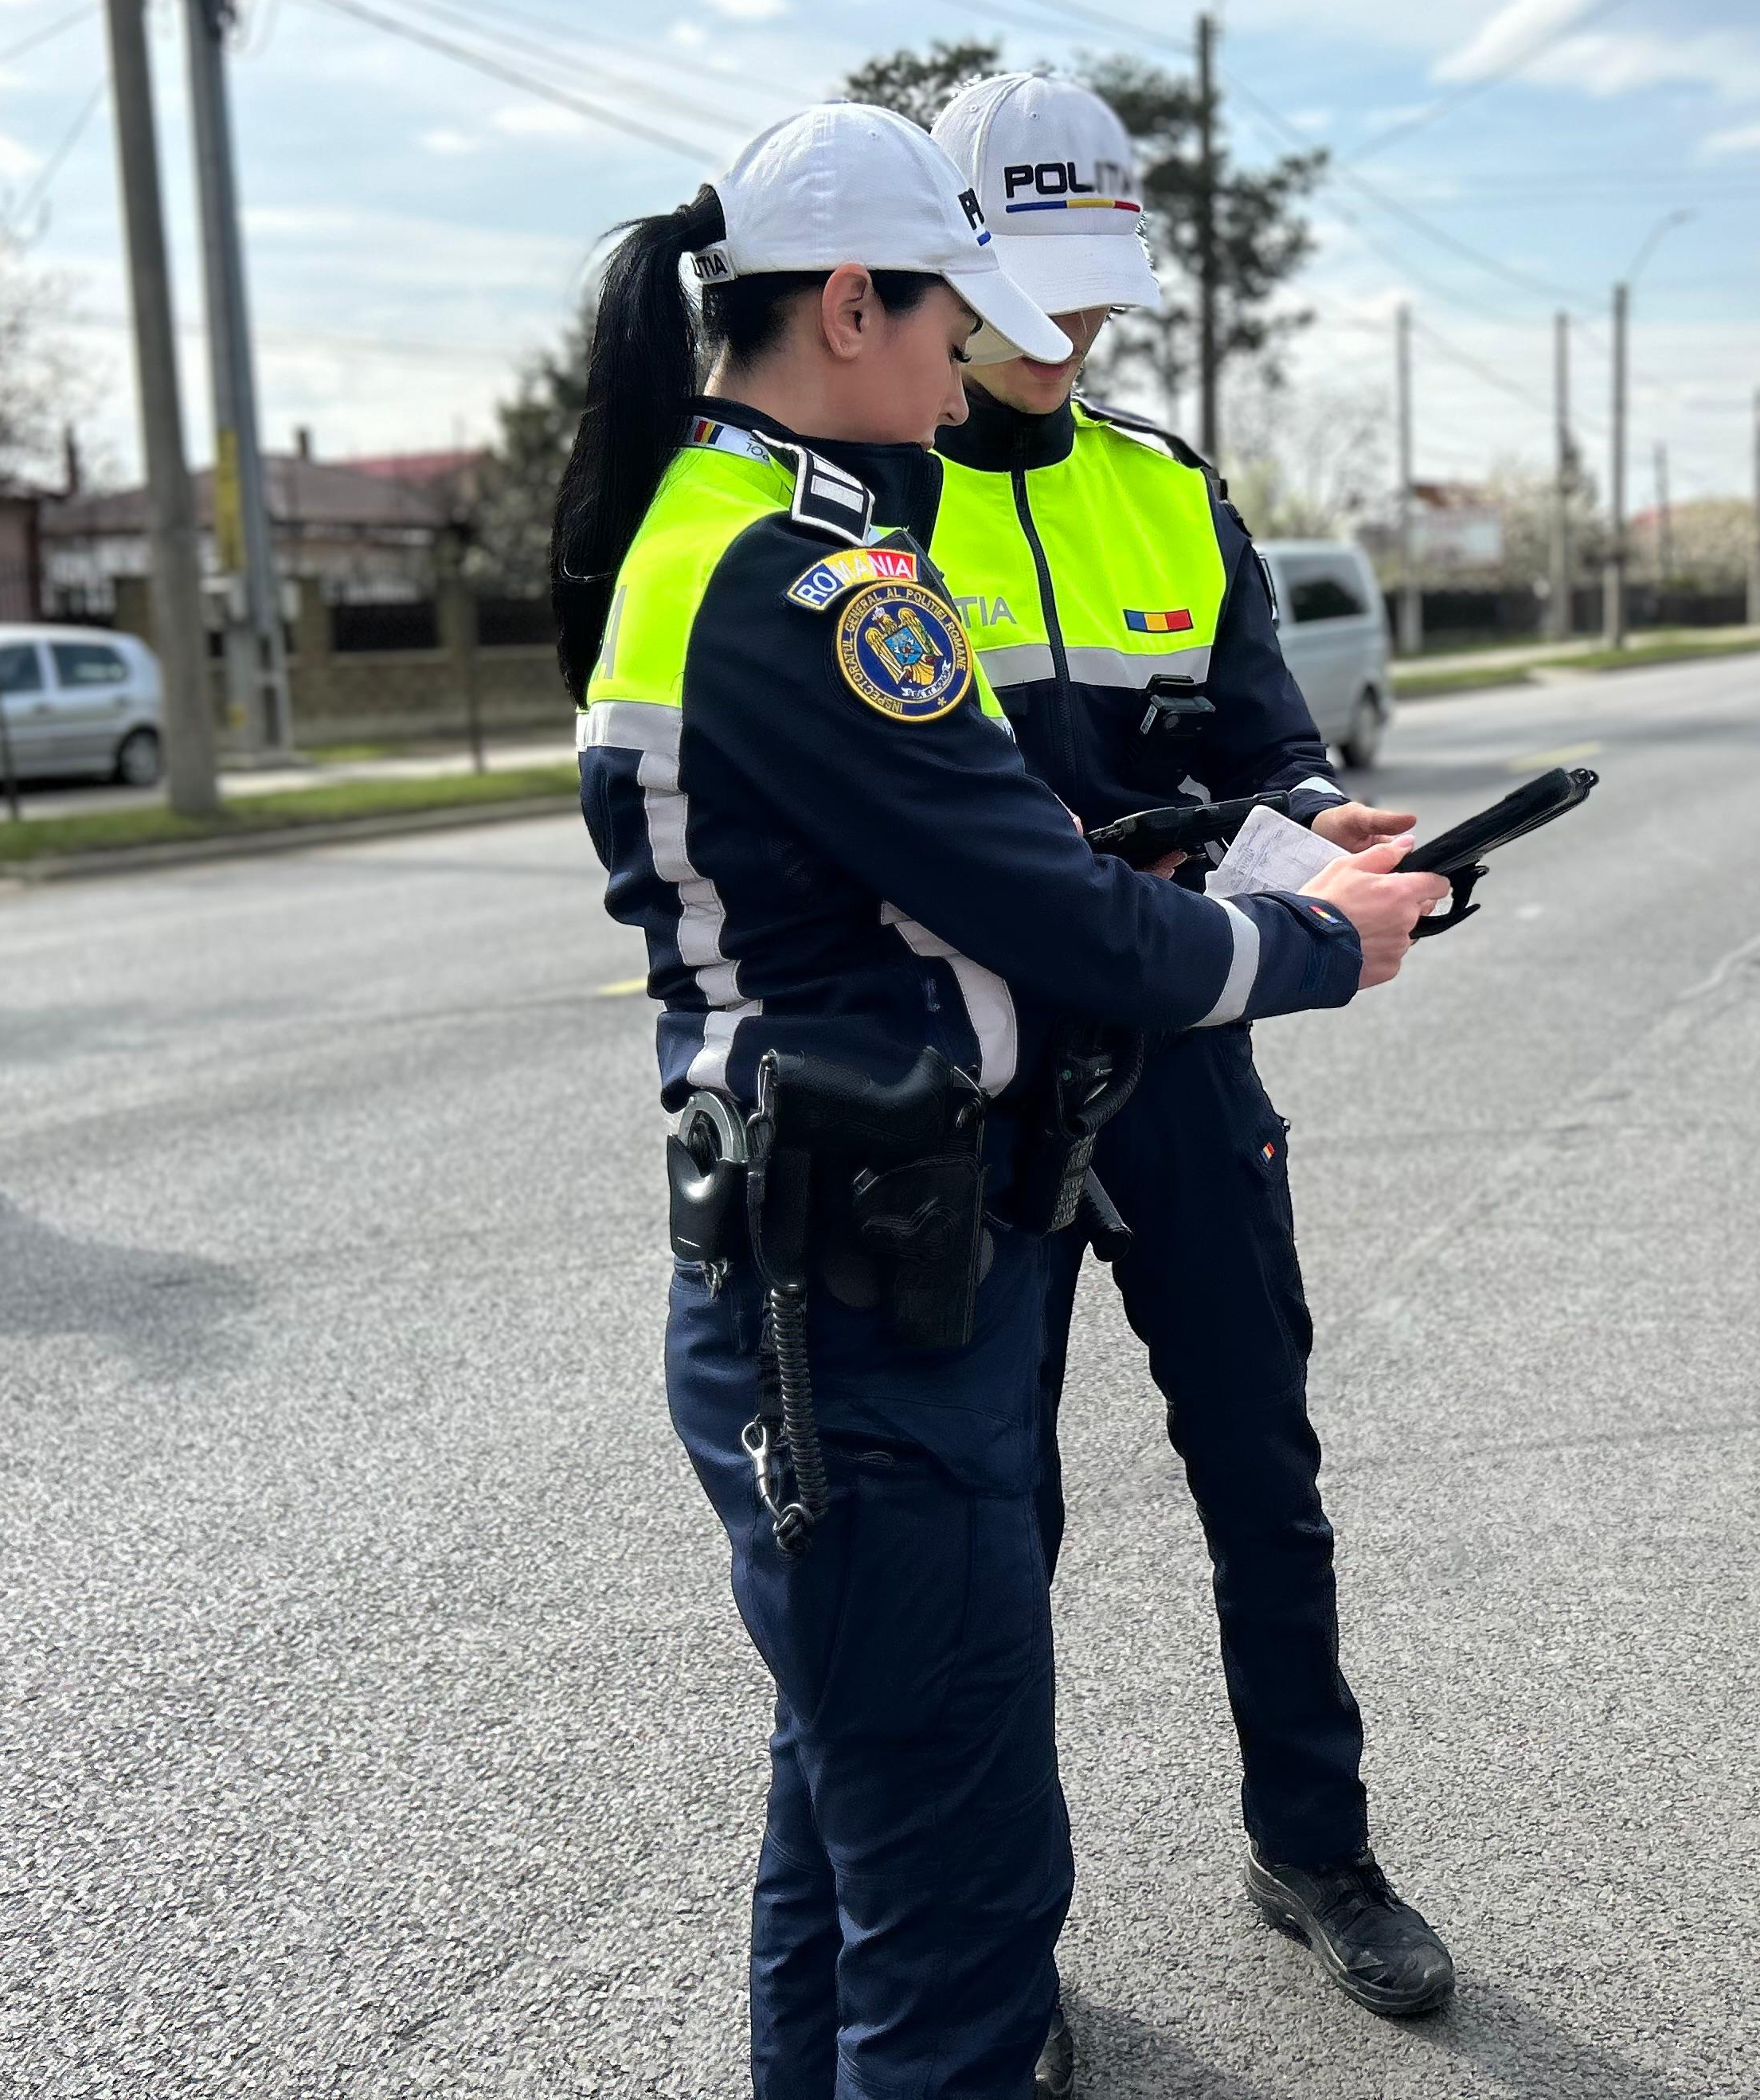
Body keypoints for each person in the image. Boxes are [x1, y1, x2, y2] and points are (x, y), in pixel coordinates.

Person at [560, 101, 1446, 2098]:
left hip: (864, 1238)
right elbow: (1046, 906)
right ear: (853, 296)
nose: (977, 354)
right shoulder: (813, 576)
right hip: (879, 1277)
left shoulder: (756, 525)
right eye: (950, 311)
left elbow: (1145, 785)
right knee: (956, 1926)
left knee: (853, 1836)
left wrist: (1292, 845)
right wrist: (1325, 945)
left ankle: (1313, 1841)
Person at [921, 70, 1457, 2035]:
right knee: (996, 1519)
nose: (1073, 329)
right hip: (974, 1081)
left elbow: (1263, 740)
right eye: (1031, 287)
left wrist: (1336, 834)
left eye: (1096, 289)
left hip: (1191, 1048)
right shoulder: (874, 503)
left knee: (1265, 1468)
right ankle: (1003, 1938)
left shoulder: (1168, 484)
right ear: (943, 272)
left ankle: (1312, 1845)